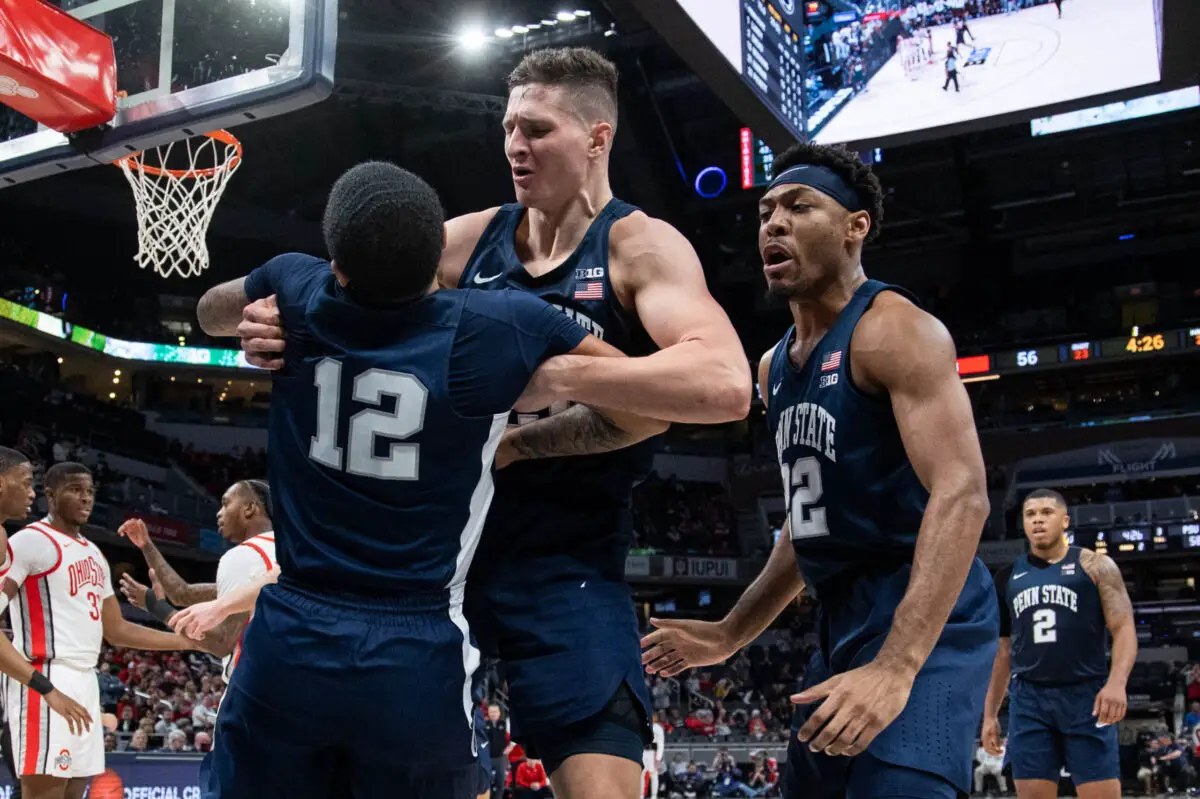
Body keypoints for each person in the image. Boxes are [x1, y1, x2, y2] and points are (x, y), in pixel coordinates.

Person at [235, 47, 751, 799]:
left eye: (537, 129)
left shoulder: (638, 246)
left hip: (567, 562)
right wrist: (274, 320)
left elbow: (724, 383)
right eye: (509, 126)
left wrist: (551, 390)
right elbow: (348, 281)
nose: (515, 146)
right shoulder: (471, 237)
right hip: (442, 571)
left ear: (598, 138)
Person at [191, 160, 668, 799]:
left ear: (338, 265)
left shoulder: (296, 288)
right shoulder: (498, 325)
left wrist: (257, 314)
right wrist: (523, 444)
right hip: (415, 647)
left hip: (291, 633)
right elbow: (646, 411)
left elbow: (210, 311)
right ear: (439, 261)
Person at [640, 141, 998, 798]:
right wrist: (729, 632)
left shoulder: (896, 330)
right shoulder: (772, 366)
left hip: (927, 607)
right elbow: (804, 528)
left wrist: (898, 664)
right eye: (766, 210)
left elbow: (964, 493)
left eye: (799, 206)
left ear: (855, 226)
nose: (773, 222)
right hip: (842, 616)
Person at [2, 462, 197, 799]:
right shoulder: (28, 541)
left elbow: (116, 629)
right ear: (50, 494)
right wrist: (42, 686)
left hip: (85, 680)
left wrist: (181, 640)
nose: (86, 498)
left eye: (90, 491)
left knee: (75, 793)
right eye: (76, 490)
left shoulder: (94, 554)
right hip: (45, 673)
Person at [980, 489, 1135, 799]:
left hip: (1085, 695)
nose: (1038, 519)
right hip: (1029, 698)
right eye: (1030, 514)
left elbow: (1124, 627)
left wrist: (1117, 683)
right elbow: (1003, 651)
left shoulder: (1096, 566)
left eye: (1046, 513)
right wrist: (990, 714)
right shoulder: (1007, 577)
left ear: (1064, 520)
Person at [118, 479, 276, 688]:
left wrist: (155, 606)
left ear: (249, 508)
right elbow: (183, 594)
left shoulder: (246, 555)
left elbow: (222, 643)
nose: (219, 513)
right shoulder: (283, 556)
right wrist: (146, 545)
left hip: (254, 690)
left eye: (226, 503)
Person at [642, 712, 664, 798]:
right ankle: (641, 795)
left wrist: (658, 758)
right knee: (641, 774)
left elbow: (661, 743)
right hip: (643, 752)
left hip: (652, 752)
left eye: (653, 716)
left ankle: (654, 796)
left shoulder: (658, 728)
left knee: (654, 774)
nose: (652, 718)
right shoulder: (642, 727)